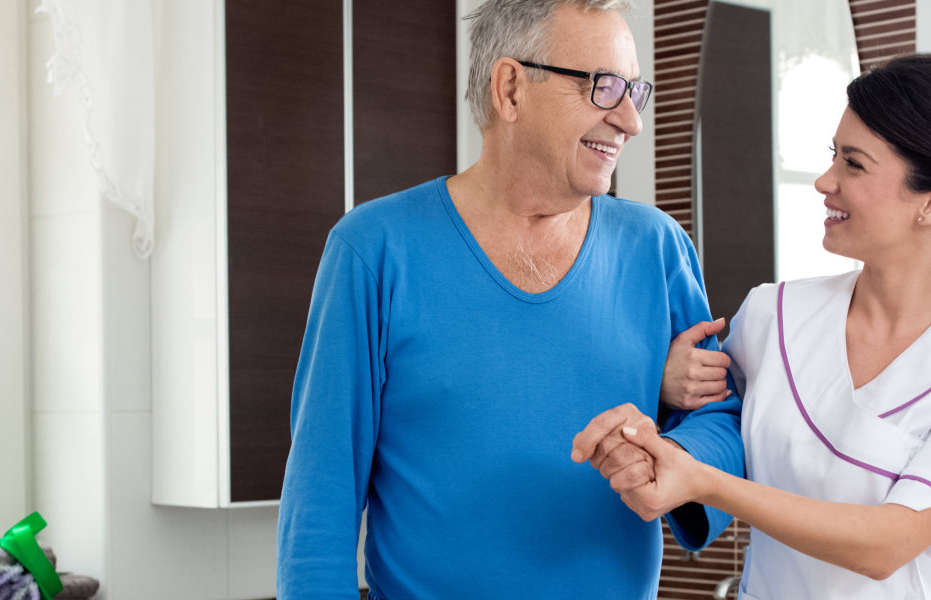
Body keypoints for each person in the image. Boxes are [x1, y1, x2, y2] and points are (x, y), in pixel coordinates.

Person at [275, 1, 743, 598]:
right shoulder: (373, 250)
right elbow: (322, 490)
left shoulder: (656, 247)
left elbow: (722, 420)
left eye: (634, 91)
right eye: (604, 87)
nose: (631, 120)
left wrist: (668, 452)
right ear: (511, 88)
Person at [598, 53, 931, 599]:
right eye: (832, 156)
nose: (824, 181)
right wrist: (667, 380)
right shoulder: (774, 314)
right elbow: (710, 423)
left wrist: (705, 483)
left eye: (854, 164)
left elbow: (885, 546)